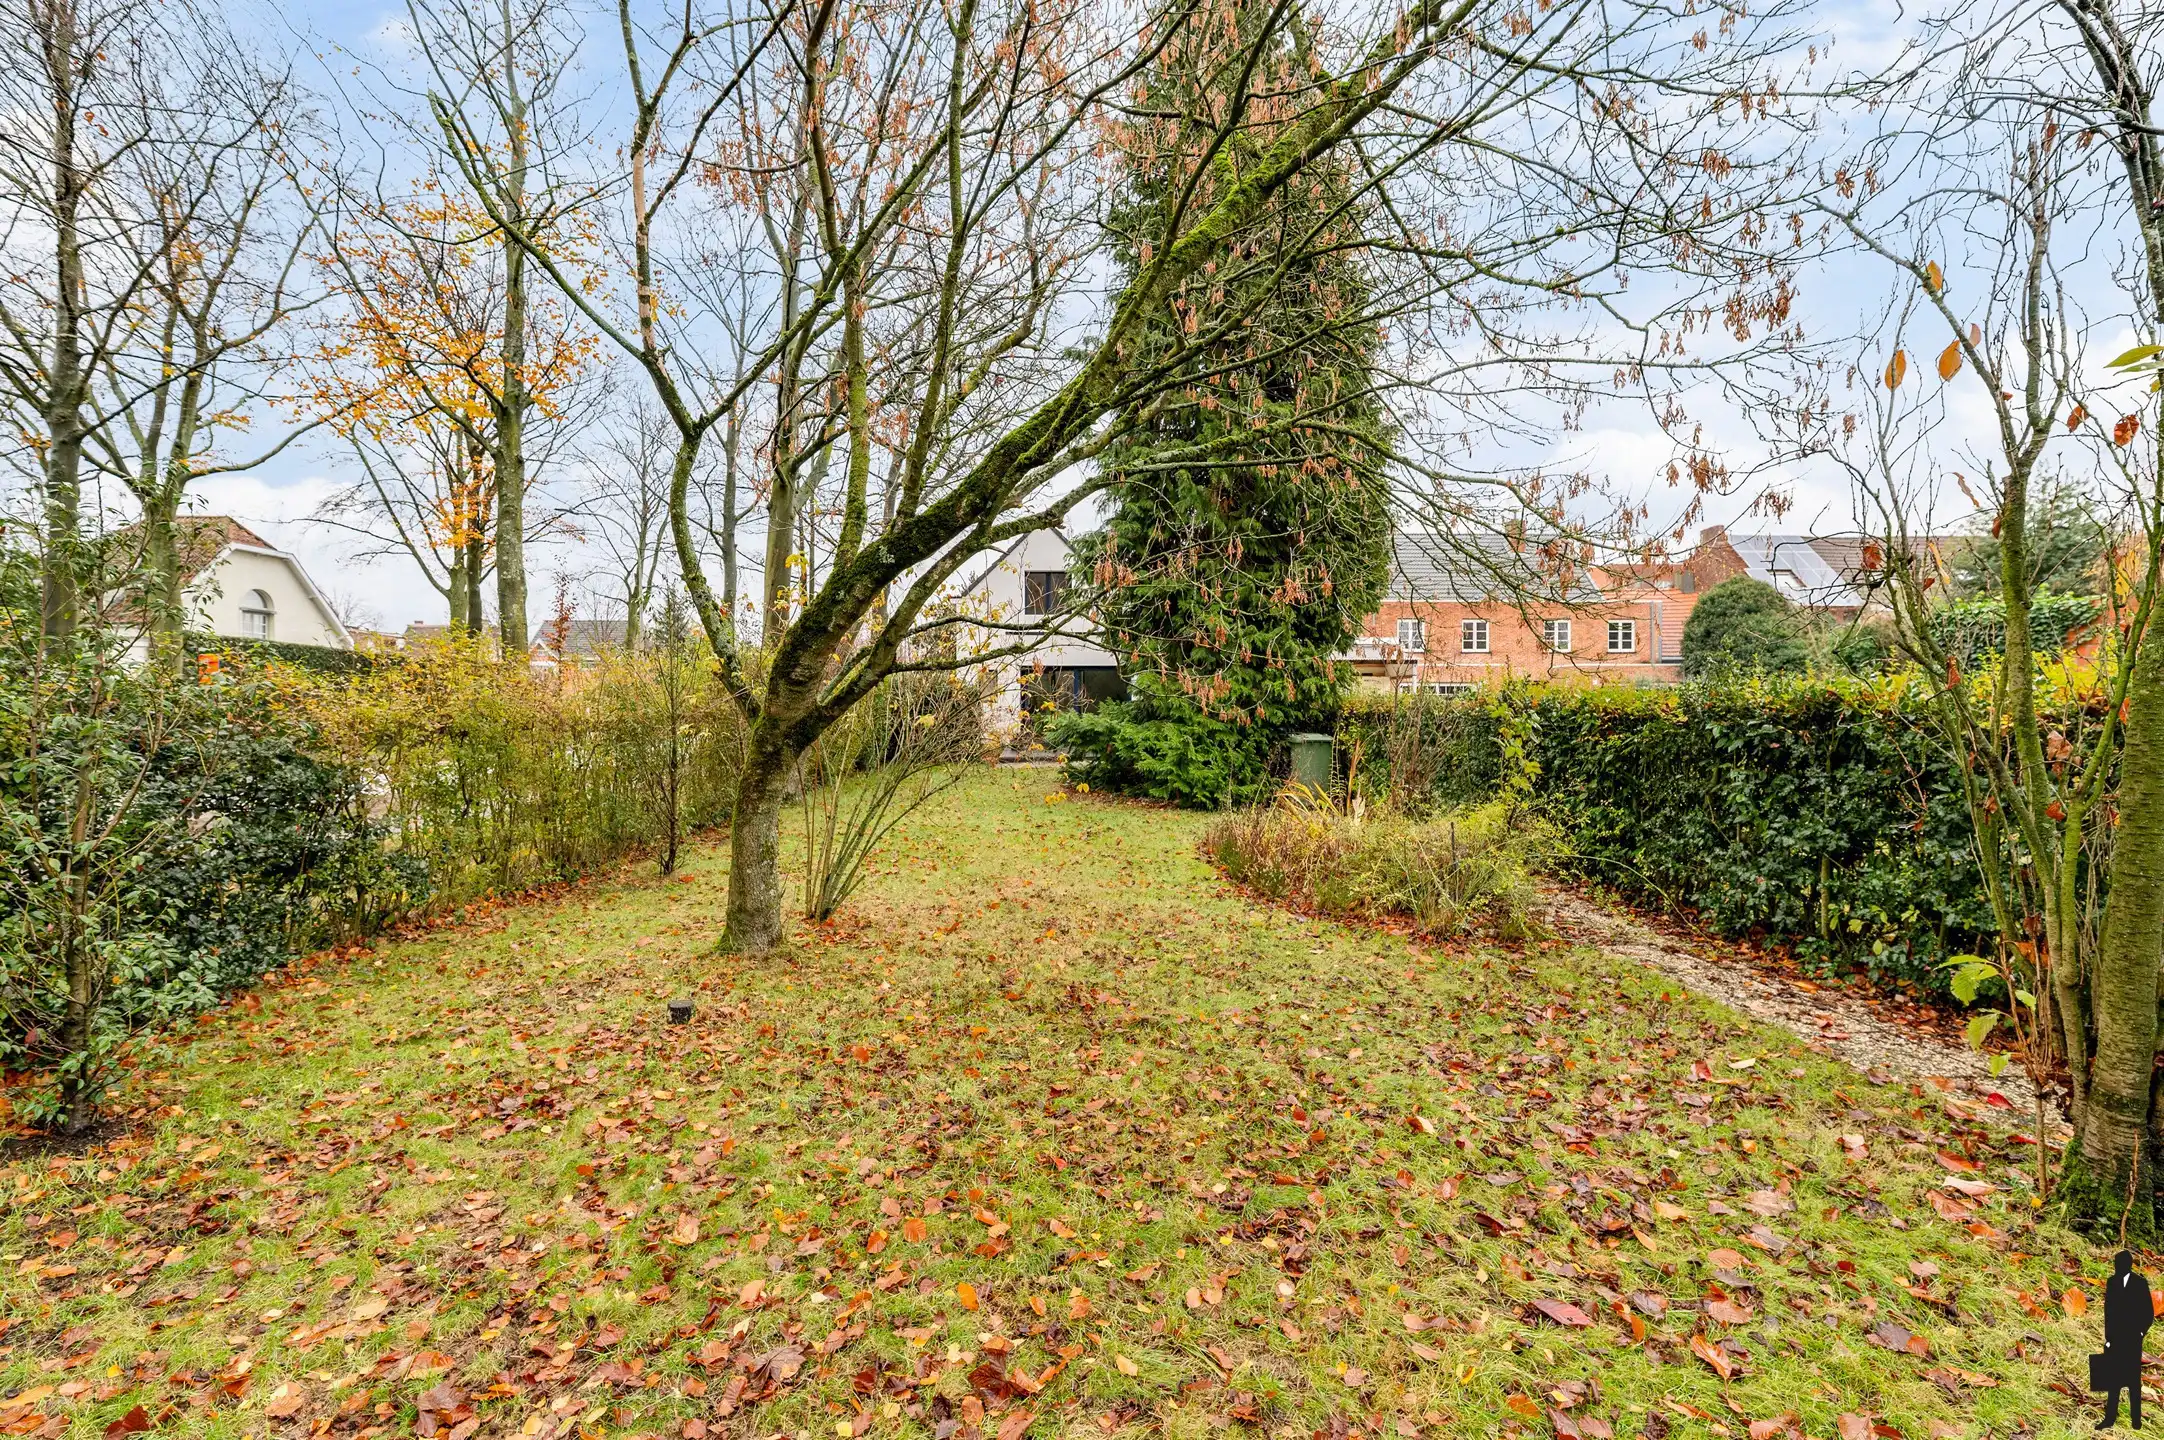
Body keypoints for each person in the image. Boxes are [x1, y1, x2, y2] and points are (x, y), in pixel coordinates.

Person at [2098, 1250, 2153, 1430]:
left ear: (2128, 1265)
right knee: (2114, 1379)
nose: (2117, 1266)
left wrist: (2140, 1333)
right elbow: (2109, 1312)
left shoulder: (2140, 1283)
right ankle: (2109, 1419)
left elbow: (2148, 1311)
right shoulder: (2112, 1282)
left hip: (2132, 1338)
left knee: (2133, 1381)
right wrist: (2108, 1338)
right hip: (2116, 1338)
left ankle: (2135, 1420)